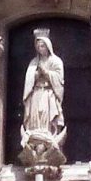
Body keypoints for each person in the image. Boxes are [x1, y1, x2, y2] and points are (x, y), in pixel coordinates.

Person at [18, 27, 68, 165]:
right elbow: (29, 80)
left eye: (42, 46)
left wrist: (46, 73)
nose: (40, 49)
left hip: (48, 94)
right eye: (38, 46)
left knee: (46, 115)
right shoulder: (34, 63)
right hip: (36, 93)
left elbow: (59, 79)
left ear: (48, 46)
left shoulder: (56, 61)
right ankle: (35, 139)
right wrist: (36, 75)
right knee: (36, 116)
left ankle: (48, 137)